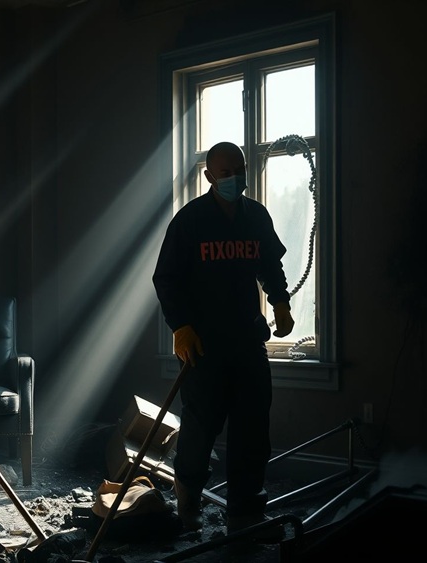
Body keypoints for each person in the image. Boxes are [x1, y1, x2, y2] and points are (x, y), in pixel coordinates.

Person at [152, 141, 294, 538]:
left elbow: (270, 264)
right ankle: (189, 500)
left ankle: (245, 513)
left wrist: (280, 302)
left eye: (239, 170)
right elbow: (166, 279)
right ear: (209, 176)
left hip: (248, 341)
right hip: (204, 347)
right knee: (200, 428)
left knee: (252, 430)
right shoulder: (190, 221)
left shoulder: (256, 217)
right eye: (225, 172)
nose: (234, 178)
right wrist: (180, 326)